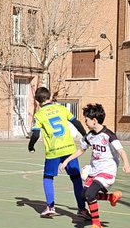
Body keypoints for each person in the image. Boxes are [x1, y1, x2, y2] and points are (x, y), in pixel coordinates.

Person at [59, 103, 130, 228]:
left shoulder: (109, 135)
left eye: (86, 119)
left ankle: (97, 226)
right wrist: (66, 160)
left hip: (107, 171)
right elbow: (81, 150)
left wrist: (126, 164)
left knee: (90, 195)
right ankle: (111, 197)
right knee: (84, 195)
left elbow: (121, 151)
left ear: (94, 120)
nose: (85, 122)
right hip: (94, 170)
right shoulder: (89, 136)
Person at [28, 86, 89, 219]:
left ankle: (50, 207)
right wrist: (86, 136)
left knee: (48, 178)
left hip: (53, 151)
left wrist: (31, 146)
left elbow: (36, 134)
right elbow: (76, 123)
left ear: (37, 101)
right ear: (50, 97)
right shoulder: (62, 109)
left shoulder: (39, 115)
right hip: (69, 149)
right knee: (76, 179)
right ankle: (82, 209)